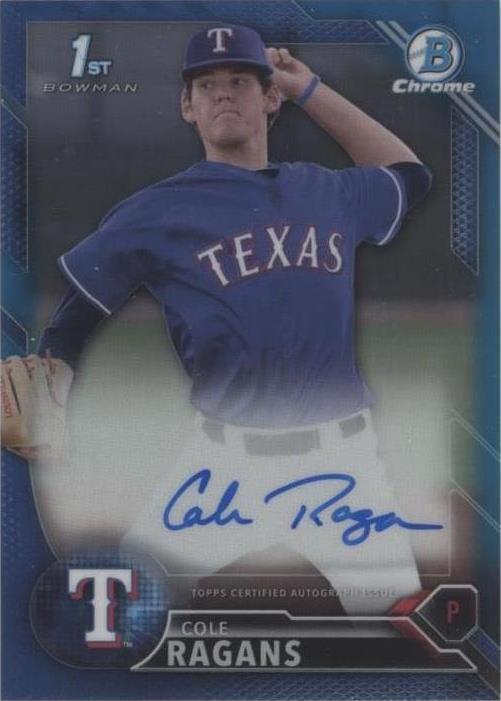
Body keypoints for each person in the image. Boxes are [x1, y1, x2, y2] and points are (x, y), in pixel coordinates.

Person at [5, 25, 437, 614]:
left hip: (344, 468)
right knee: (118, 615)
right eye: (206, 85)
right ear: (188, 106)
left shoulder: (327, 192)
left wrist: (310, 87)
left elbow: (410, 175)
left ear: (270, 97)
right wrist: (55, 371)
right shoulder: (157, 210)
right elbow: (80, 309)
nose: (223, 93)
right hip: (222, 467)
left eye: (240, 80)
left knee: (399, 628)